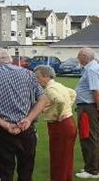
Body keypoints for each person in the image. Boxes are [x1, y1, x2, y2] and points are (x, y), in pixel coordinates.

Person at [0, 48, 47, 181]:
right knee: (26, 172)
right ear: (10, 60)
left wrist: (6, 125)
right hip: (26, 128)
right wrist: (29, 119)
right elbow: (43, 99)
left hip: (2, 131)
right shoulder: (28, 74)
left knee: (5, 172)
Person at [34, 65, 77, 181]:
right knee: (66, 157)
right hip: (69, 122)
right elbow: (73, 93)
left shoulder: (50, 89)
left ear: (46, 76)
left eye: (38, 77)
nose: (37, 80)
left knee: (58, 158)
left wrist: (58, 114)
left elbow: (60, 101)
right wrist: (68, 108)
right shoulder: (59, 85)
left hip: (60, 125)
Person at [75, 47, 99, 179]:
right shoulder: (92, 68)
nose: (78, 58)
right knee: (90, 137)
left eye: (79, 55)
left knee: (88, 137)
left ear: (85, 57)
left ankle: (92, 170)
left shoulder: (91, 70)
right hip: (88, 107)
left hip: (88, 108)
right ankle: (92, 166)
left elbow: (96, 91)